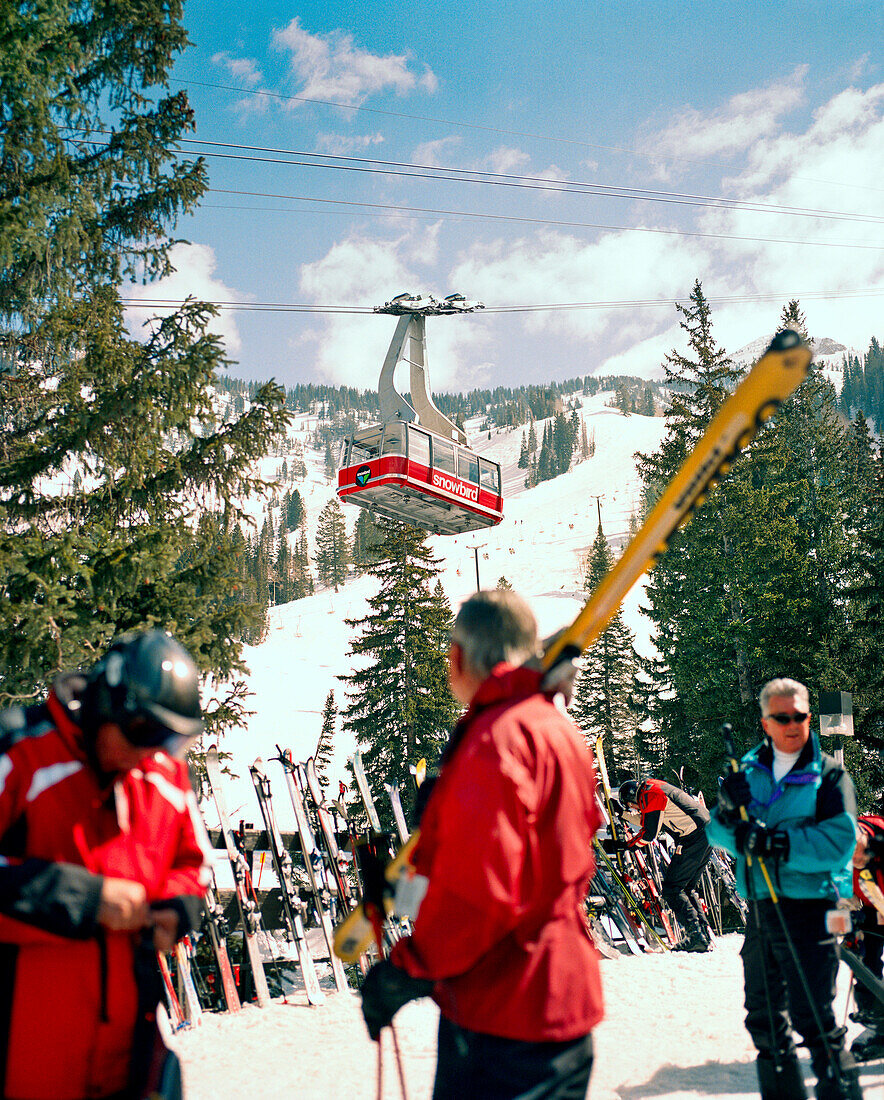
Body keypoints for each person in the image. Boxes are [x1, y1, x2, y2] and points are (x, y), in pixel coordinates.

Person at [360, 590, 603, 1099]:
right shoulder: (560, 729)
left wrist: (406, 971)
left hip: (504, 1018)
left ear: (457, 657)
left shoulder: (496, 741)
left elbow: (476, 899)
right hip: (561, 1003)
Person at [0, 629, 212, 1100]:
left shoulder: (162, 773)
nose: (151, 754)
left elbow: (193, 865)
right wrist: (84, 898)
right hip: (28, 1056)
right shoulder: (23, 751)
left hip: (125, 1055)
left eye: (170, 741)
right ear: (109, 707)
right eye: (145, 733)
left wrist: (174, 912)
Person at [707, 677, 863, 1100]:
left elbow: (839, 844)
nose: (794, 724)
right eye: (783, 717)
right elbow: (717, 834)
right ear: (765, 722)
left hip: (810, 906)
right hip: (761, 907)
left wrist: (776, 843)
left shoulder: (829, 776)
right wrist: (726, 812)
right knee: (764, 1019)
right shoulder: (748, 771)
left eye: (800, 716)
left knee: (812, 1017)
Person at [615, 776, 714, 952]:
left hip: (694, 837)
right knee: (686, 888)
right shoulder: (652, 788)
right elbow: (649, 820)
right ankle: (704, 935)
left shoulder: (650, 794)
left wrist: (626, 846)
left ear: (631, 799)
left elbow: (649, 834)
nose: (634, 809)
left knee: (672, 889)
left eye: (630, 806)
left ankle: (696, 936)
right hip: (706, 832)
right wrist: (623, 814)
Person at [847, 814, 884, 1060]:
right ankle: (876, 1021)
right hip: (875, 905)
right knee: (864, 958)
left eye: (859, 851)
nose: (856, 859)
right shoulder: (840, 855)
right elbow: (844, 892)